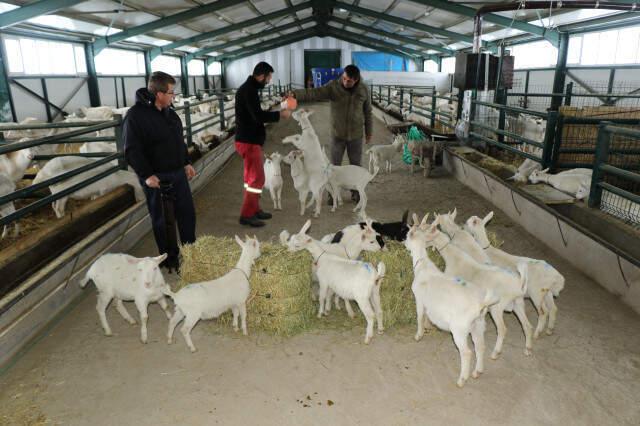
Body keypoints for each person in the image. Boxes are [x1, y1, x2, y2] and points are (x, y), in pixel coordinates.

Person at [123, 71, 196, 272]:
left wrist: (186, 162)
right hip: (156, 177)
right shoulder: (135, 116)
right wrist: (146, 175)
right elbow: (131, 149)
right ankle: (170, 259)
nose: (174, 96)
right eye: (171, 92)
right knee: (163, 220)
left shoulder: (170, 114)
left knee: (187, 214)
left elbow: (178, 141)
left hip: (177, 173)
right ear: (159, 94)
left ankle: (190, 254)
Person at [288, 64, 372, 204]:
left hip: (356, 135)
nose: (345, 82)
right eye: (344, 78)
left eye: (349, 81)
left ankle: (356, 193)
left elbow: (368, 112)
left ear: (356, 80)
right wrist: (297, 94)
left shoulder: (363, 90)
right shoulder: (334, 86)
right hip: (337, 134)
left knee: (355, 166)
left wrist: (369, 131)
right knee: (332, 166)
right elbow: (315, 92)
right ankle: (332, 195)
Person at [235, 61, 291, 227]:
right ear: (261, 75)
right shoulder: (249, 91)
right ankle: (246, 215)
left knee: (250, 179)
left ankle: (254, 208)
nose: (269, 81)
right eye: (268, 77)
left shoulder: (249, 89)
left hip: (247, 140)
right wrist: (280, 115)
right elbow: (258, 116)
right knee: (257, 179)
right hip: (249, 141)